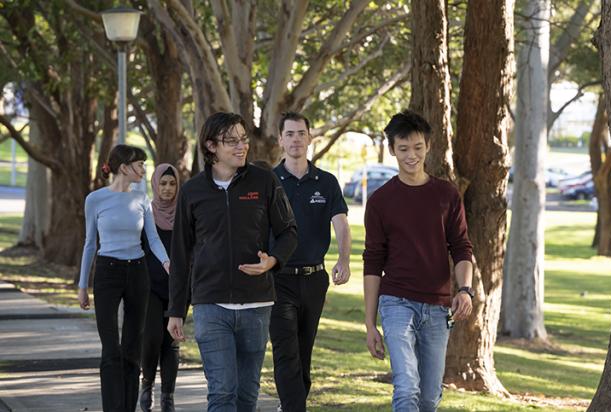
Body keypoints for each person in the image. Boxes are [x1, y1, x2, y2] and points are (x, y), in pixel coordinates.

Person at [167, 112, 298, 412]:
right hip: (210, 305)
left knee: (245, 397)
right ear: (211, 146)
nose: (242, 147)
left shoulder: (264, 181)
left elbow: (289, 231)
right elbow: (181, 254)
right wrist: (176, 310)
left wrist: (273, 262)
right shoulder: (192, 192)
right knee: (223, 391)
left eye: (243, 139)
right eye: (232, 141)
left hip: (257, 305)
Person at [362, 110, 475, 412]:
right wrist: (370, 323)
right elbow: (372, 262)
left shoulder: (446, 195)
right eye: (403, 149)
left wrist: (465, 289)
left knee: (428, 396)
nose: (411, 155)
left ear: (427, 146)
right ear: (392, 150)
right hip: (396, 302)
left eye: (417, 148)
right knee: (407, 385)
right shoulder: (379, 201)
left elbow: (462, 248)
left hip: (438, 308)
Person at [77, 144, 170, 412]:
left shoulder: (141, 200)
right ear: (124, 167)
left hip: (137, 272)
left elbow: (152, 238)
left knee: (132, 348)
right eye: (140, 164)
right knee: (110, 349)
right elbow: (89, 244)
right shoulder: (95, 199)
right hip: (107, 273)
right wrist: (83, 285)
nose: (143, 169)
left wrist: (166, 261)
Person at [270, 112, 352, 412]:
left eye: (300, 133)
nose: (295, 139)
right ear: (280, 139)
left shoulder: (327, 182)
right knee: (285, 351)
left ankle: (292, 402)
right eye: (289, 134)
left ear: (309, 138)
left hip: (314, 279)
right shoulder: (269, 181)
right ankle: (294, 407)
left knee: (303, 353)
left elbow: (341, 225)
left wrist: (344, 260)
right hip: (278, 279)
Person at [139, 164, 181, 412]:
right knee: (152, 338)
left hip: (177, 287)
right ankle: (147, 385)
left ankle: (168, 397)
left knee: (171, 342)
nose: (167, 189)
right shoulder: (146, 213)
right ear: (155, 185)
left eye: (172, 183)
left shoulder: (185, 215)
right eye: (163, 183)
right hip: (150, 286)